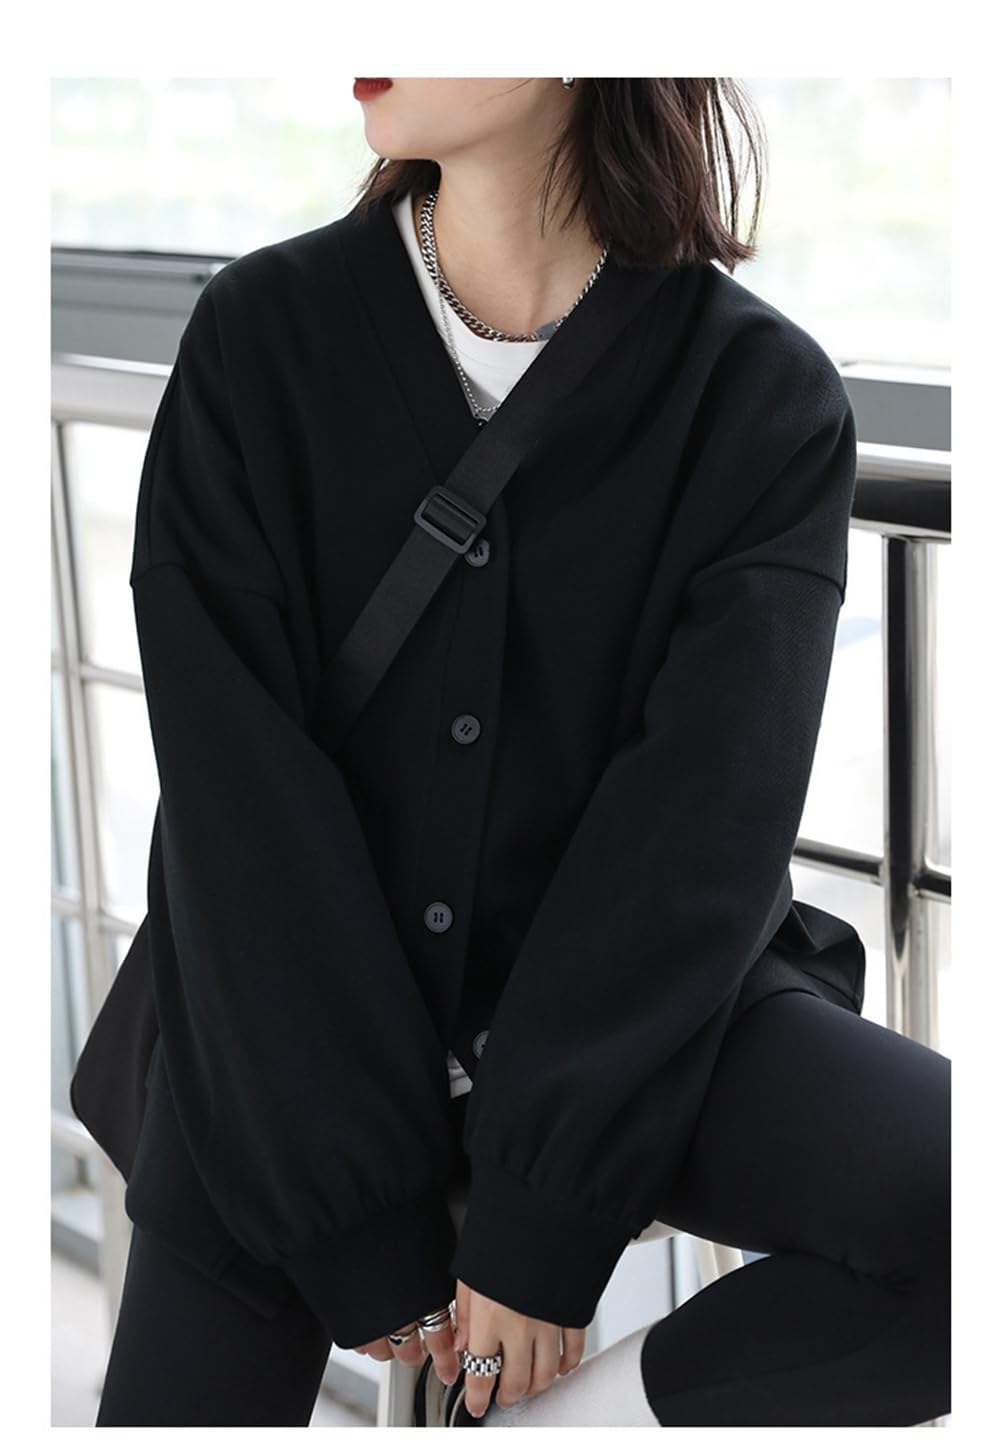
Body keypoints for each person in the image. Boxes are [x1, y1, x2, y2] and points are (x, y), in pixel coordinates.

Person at [93, 78, 950, 1427]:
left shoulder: (757, 397)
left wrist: (541, 1223)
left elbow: (698, 831)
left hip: (637, 1019)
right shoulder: (259, 336)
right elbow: (236, 801)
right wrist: (356, 1218)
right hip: (283, 1039)